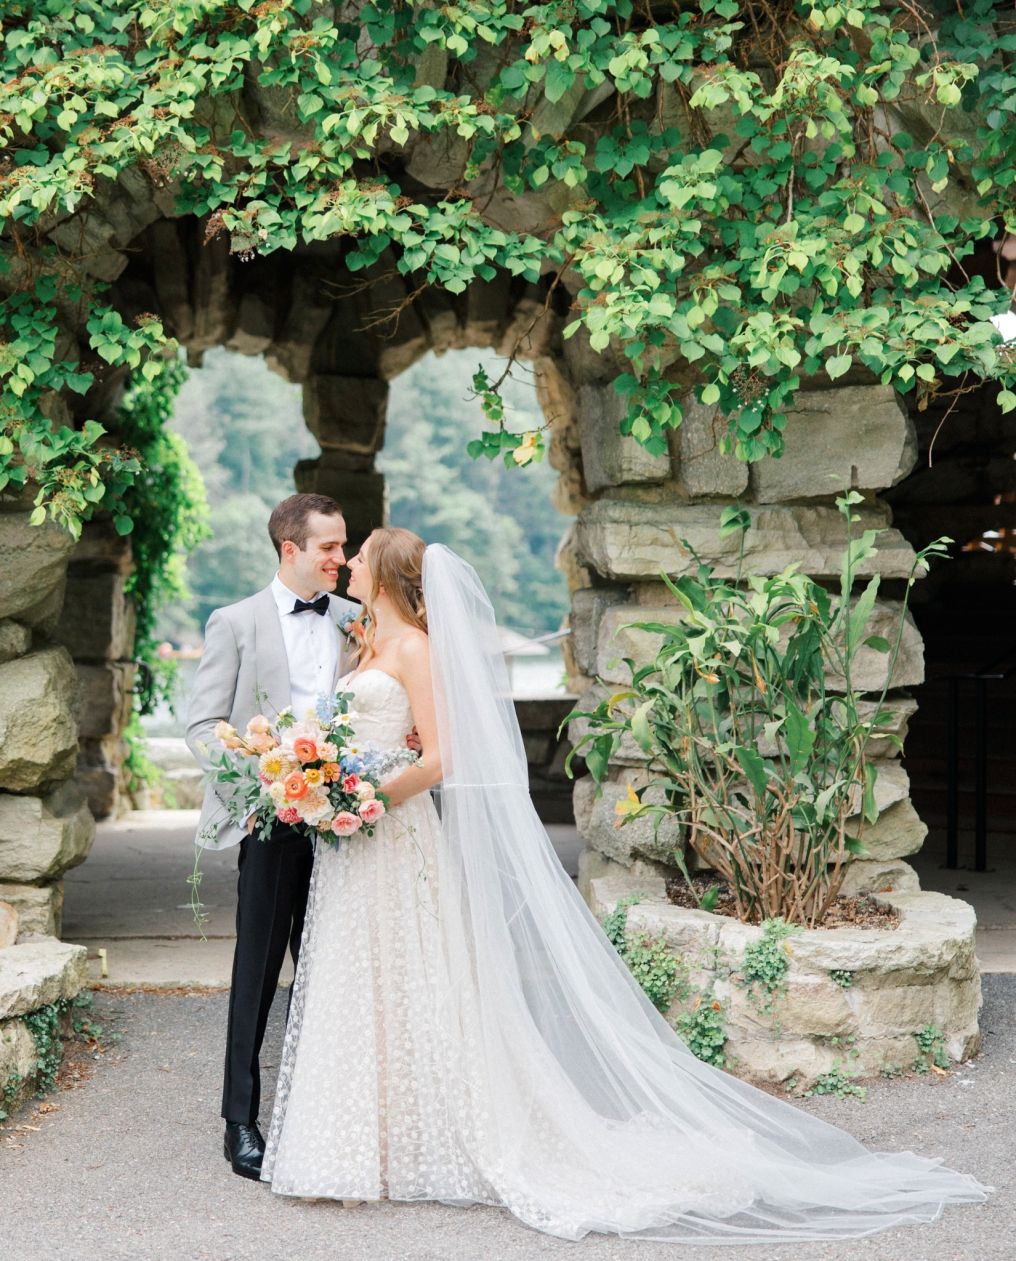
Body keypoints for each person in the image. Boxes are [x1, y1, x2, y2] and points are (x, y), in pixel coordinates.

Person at [259, 526, 989, 1243]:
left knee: (418, 976)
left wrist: (372, 797)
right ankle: (363, 1143)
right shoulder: (365, 642)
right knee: (362, 980)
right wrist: (324, 782)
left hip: (395, 834)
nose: (348, 562)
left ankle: (429, 1134)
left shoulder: (415, 648)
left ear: (383, 574)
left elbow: (442, 754)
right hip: (352, 843)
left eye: (357, 556)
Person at [185, 493, 360, 1181]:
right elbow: (203, 725)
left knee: (335, 972)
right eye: (329, 548)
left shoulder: (356, 620)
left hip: (349, 821)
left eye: (344, 547)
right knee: (256, 972)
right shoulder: (234, 623)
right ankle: (240, 1122)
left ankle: (326, 1114)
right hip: (269, 819)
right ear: (291, 549)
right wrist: (258, 787)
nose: (340, 559)